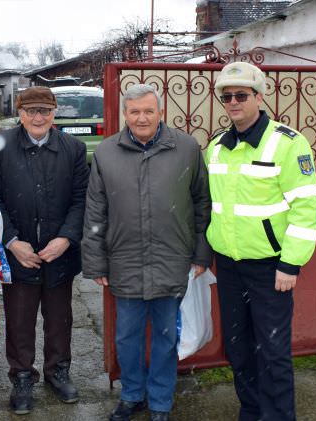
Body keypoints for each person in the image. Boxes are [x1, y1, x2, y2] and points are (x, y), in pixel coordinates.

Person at [82, 84, 212, 421]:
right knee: (127, 337)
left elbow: (202, 202)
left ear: (160, 113)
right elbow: (95, 211)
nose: (142, 117)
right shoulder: (107, 153)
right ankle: (132, 395)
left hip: (172, 259)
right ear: (125, 114)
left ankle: (160, 402)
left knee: (166, 338)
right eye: (135, 111)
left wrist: (201, 254)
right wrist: (95, 260)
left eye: (148, 111)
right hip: (123, 261)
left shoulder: (186, 148)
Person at [206, 62, 316, 421]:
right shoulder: (217, 148)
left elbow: (305, 208)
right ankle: (251, 411)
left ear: (259, 96)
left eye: (241, 95)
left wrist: (290, 264)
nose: (233, 102)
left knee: (272, 351)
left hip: (270, 269)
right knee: (239, 350)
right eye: (227, 96)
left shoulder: (288, 143)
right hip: (228, 266)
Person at [0, 86, 89, 415]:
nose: (38, 117)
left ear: (55, 112)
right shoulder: (1, 147)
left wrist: (67, 238)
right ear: (20, 113)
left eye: (44, 110)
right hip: (19, 252)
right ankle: (22, 377)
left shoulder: (73, 148)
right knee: (19, 321)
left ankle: (58, 372)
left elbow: (82, 198)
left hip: (60, 253)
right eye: (30, 111)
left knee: (59, 319)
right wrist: (12, 241)